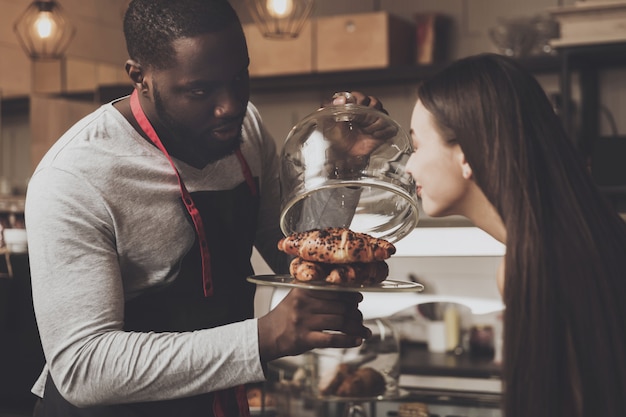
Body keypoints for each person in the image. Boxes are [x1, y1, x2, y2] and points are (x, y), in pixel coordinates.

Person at [24, 0, 391, 416]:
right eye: (200, 91)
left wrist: (341, 168)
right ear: (139, 77)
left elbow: (294, 253)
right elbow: (82, 368)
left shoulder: (245, 130)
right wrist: (262, 338)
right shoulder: (75, 176)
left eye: (240, 78)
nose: (230, 106)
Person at [405, 52, 626, 417]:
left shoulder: (529, 265)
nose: (410, 165)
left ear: (464, 156)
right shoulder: (595, 232)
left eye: (417, 146)